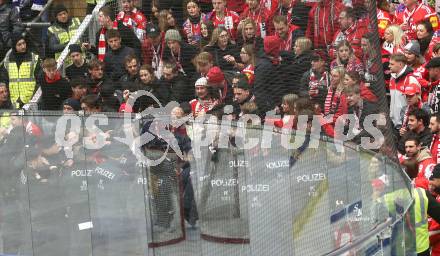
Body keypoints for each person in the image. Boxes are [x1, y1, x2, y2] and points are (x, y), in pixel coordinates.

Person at [1, 33, 40, 109]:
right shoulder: (7, 61)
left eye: (24, 43)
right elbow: (5, 81)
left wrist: (34, 97)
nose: (23, 46)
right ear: (14, 46)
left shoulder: (34, 59)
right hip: (13, 102)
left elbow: (39, 80)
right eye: (19, 44)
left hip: (30, 102)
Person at [389, 53, 421, 131]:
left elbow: (417, 103)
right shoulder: (392, 78)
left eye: (392, 64)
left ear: (400, 64)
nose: (389, 66)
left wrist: (407, 124)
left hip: (406, 126)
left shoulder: (411, 79)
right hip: (393, 124)